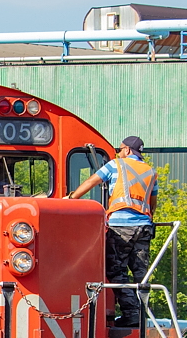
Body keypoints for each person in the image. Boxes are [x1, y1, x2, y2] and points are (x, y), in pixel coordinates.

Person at [67, 136, 158, 327]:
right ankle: (142, 315)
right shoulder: (151, 171)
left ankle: (132, 314)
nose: (118, 152)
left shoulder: (116, 165)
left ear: (127, 150)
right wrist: (148, 220)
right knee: (141, 273)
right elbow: (153, 201)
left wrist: (71, 197)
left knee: (116, 270)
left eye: (120, 149)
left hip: (120, 226)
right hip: (144, 226)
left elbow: (93, 180)